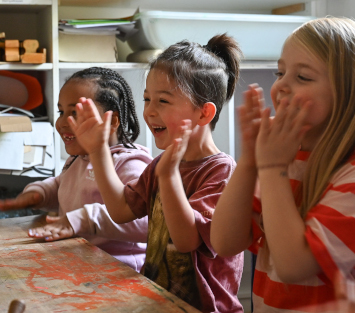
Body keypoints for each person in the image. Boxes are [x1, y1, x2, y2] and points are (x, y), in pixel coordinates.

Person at [210, 17, 355, 312]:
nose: (280, 87)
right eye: (281, 72)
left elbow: (294, 265)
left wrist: (271, 168)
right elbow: (225, 242)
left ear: (352, 94)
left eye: (302, 77)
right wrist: (251, 159)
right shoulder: (283, 159)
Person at [68, 34, 244, 313]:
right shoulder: (163, 165)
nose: (149, 111)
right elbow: (122, 209)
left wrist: (169, 178)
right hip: (161, 302)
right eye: (147, 99)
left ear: (204, 113)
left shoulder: (221, 172)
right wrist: (99, 151)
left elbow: (187, 240)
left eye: (163, 101)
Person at [0, 67, 152, 272]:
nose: (62, 122)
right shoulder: (77, 159)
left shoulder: (130, 164)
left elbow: (145, 222)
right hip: (77, 261)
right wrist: (40, 194)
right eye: (62, 112)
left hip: (119, 273)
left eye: (75, 113)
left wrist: (82, 220)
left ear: (113, 121)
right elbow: (63, 185)